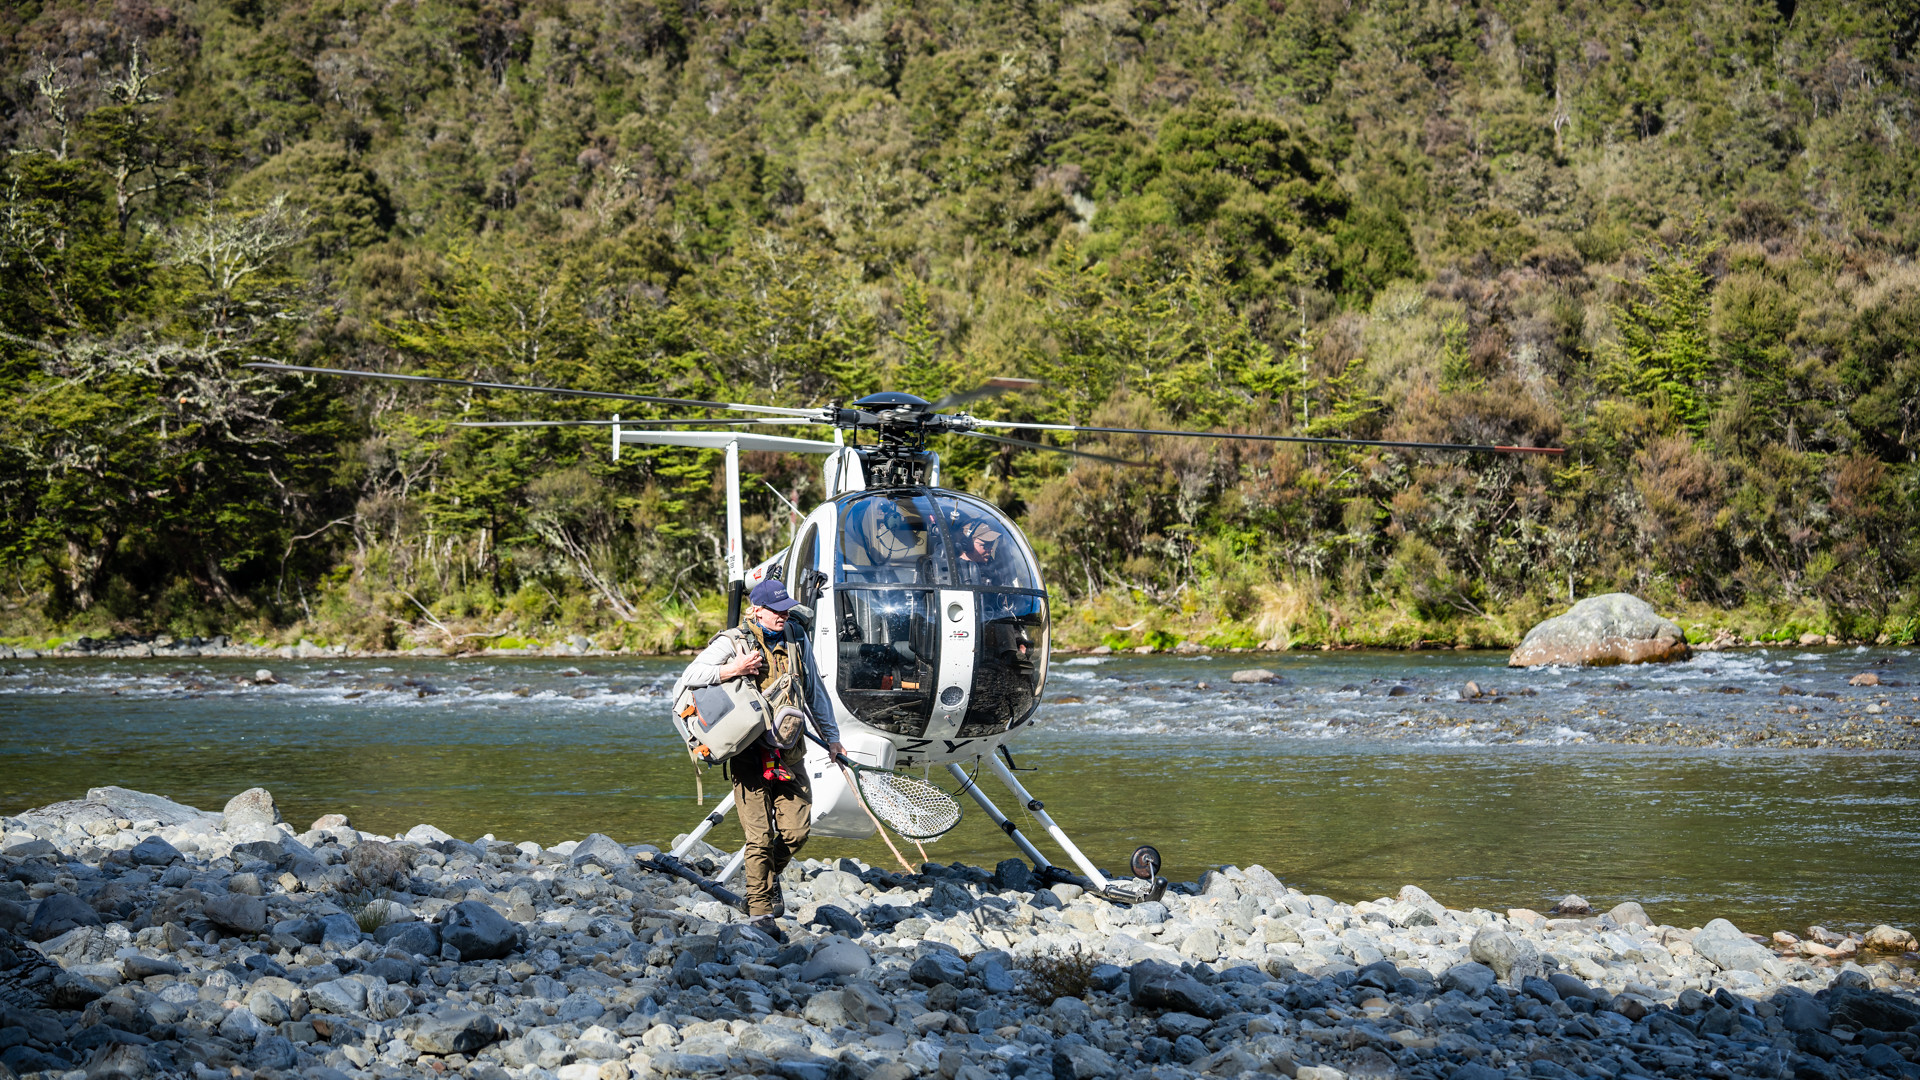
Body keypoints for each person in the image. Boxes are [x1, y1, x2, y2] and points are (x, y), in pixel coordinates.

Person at [670, 578, 844, 937]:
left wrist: (833, 739)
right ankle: (761, 913)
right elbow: (691, 675)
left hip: (790, 751)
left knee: (797, 832)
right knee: (760, 838)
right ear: (756, 610)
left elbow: (815, 692)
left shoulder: (797, 637)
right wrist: (733, 670)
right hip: (749, 754)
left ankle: (763, 879)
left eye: (785, 609)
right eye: (775, 610)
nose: (782, 615)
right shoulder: (732, 641)